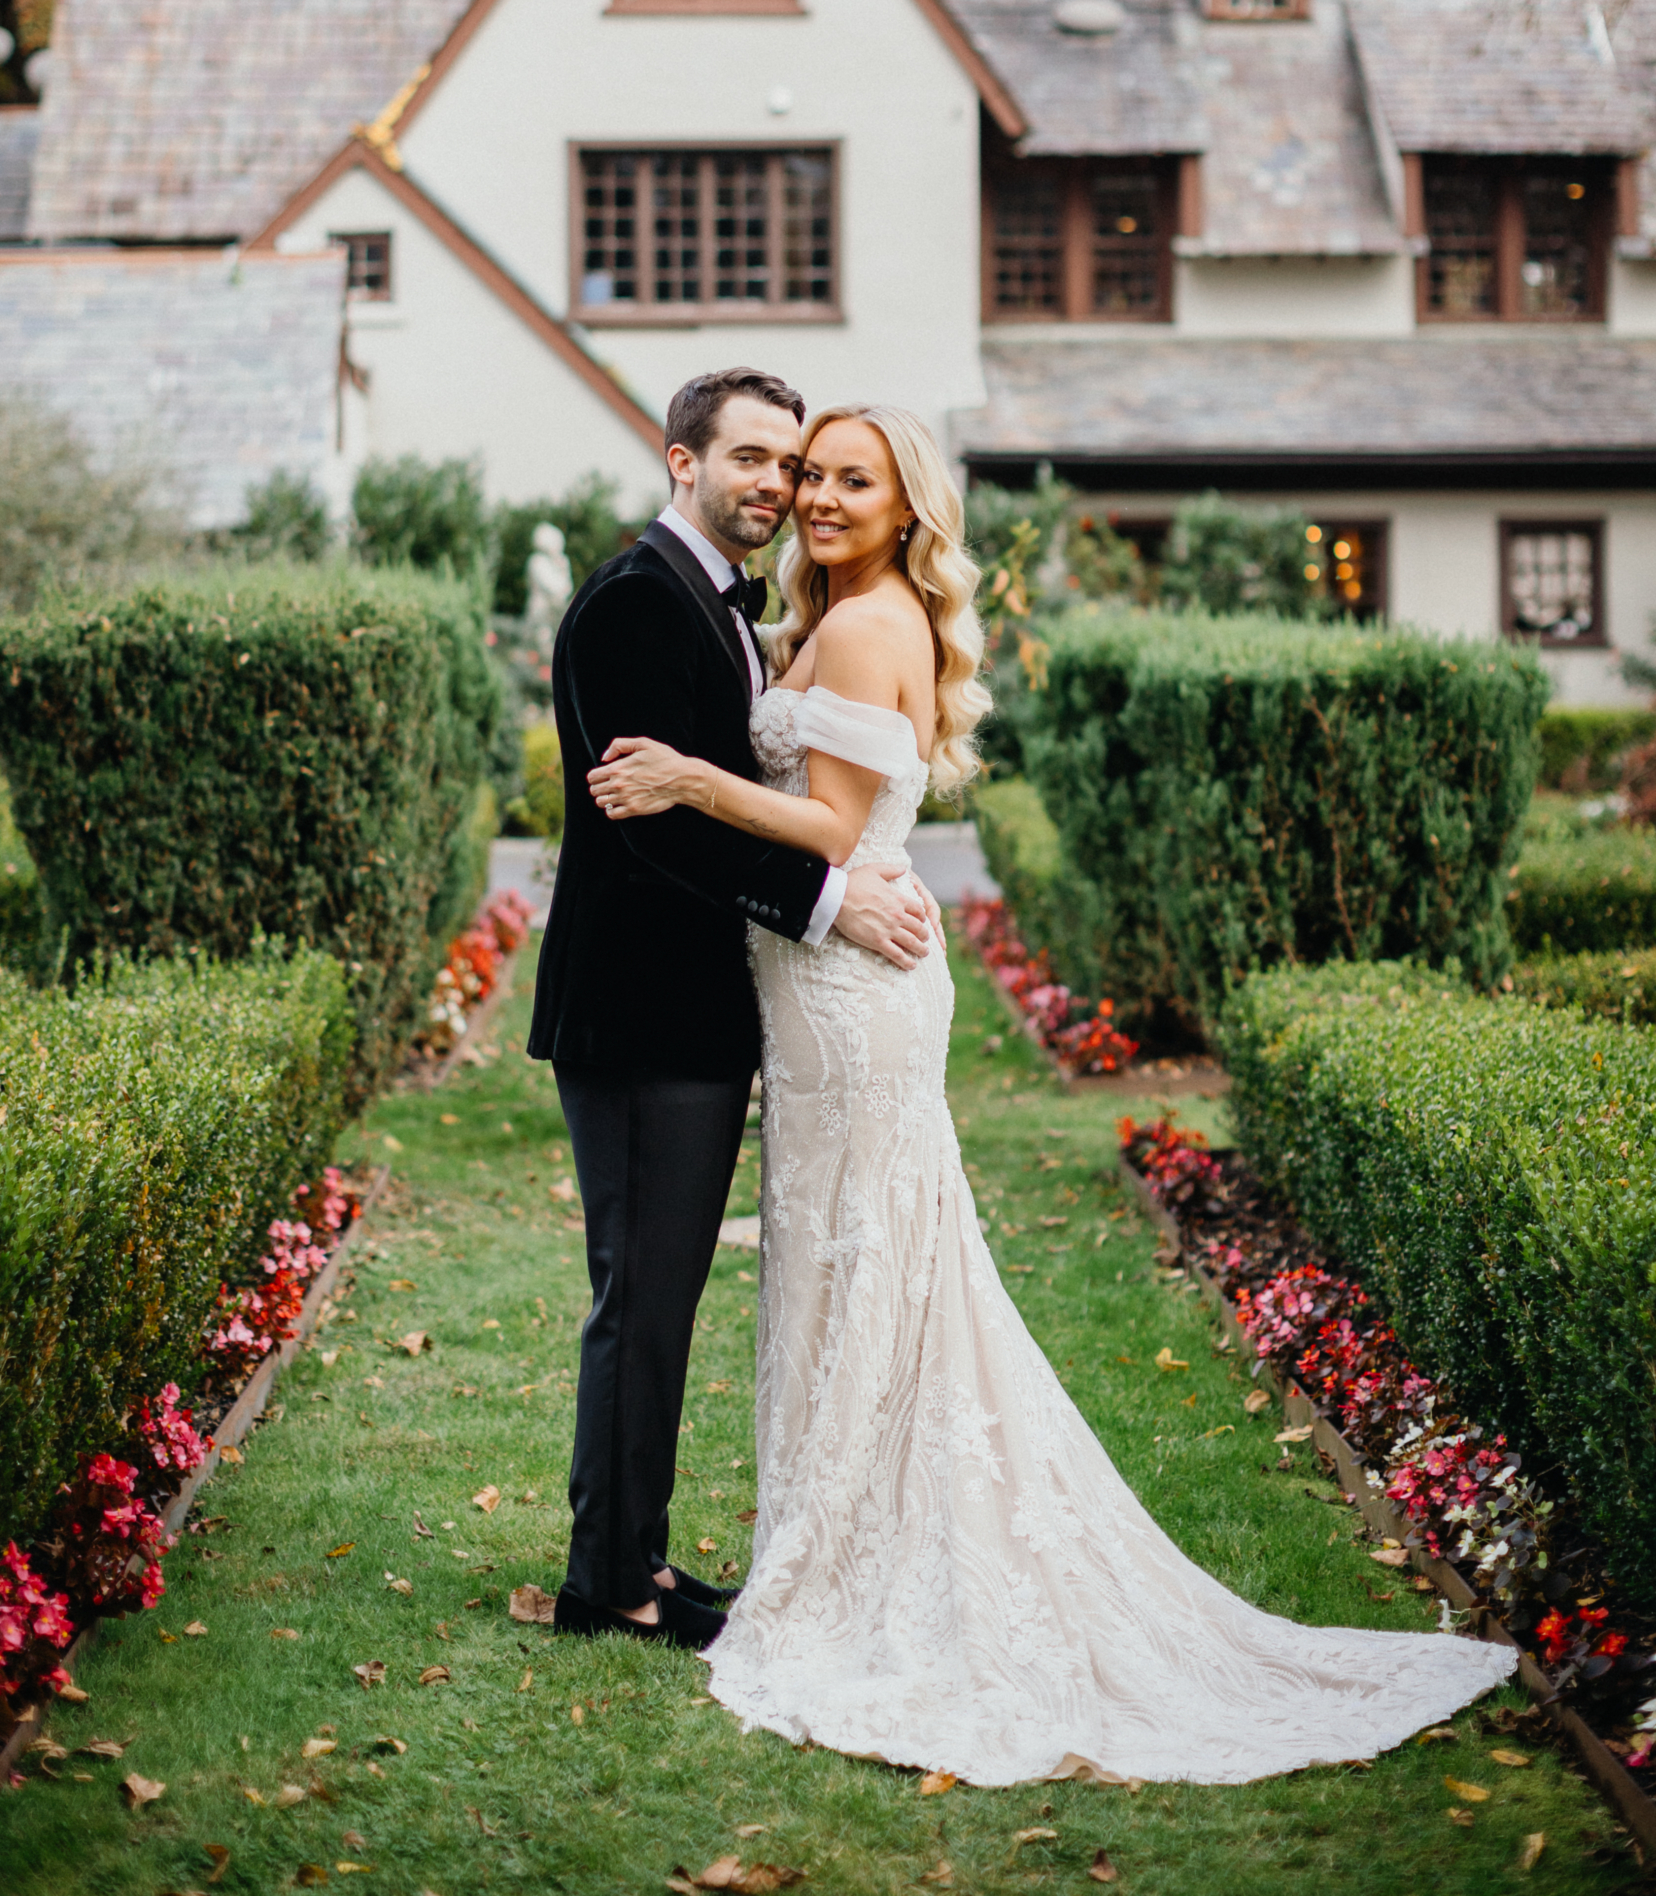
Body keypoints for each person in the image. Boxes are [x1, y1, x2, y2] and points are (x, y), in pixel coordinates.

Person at [586, 401, 1519, 1787]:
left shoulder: (857, 622)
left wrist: (689, 778)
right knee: (866, 1260)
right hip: (831, 986)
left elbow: (835, 829)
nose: (819, 496)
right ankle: (845, 1537)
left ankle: (852, 1552)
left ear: (907, 512)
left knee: (858, 1256)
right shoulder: (832, 614)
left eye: (853, 480)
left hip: (845, 992)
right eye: (809, 474)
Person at [529, 368, 941, 1650]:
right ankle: (611, 1581)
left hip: (700, 1014)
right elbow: (654, 833)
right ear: (680, 462)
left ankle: (637, 1556)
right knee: (641, 1295)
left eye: (796, 463)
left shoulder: (726, 606)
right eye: (755, 459)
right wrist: (827, 901)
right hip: (641, 1014)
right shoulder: (635, 604)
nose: (778, 484)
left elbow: (716, 788)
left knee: (663, 1292)